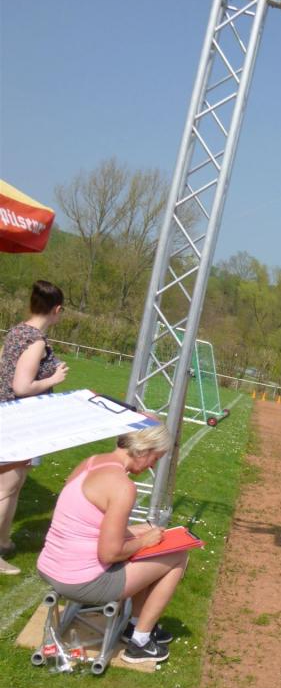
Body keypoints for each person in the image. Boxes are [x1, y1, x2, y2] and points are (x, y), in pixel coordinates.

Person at [37, 424, 187, 664]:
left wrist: (140, 534)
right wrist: (144, 540)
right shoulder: (122, 486)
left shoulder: (90, 462)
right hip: (81, 582)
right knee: (178, 555)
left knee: (147, 539)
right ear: (142, 450)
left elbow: (82, 521)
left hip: (50, 564)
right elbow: (110, 554)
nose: (152, 466)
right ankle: (139, 641)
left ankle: (135, 625)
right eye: (155, 458)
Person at [0, 280, 69, 575]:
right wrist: (54, 379)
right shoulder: (35, 341)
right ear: (57, 310)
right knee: (5, 488)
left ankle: (4, 540)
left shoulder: (16, 331)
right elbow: (22, 386)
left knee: (13, 486)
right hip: (18, 422)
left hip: (8, 416)